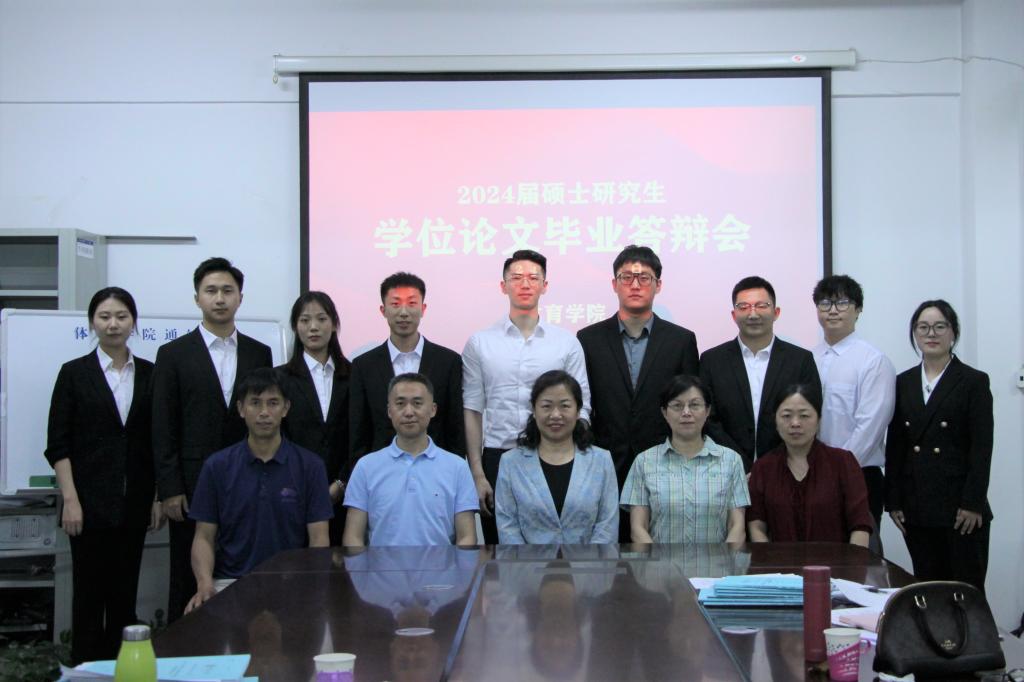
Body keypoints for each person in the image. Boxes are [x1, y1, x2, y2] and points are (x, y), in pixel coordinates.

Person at [44, 287, 163, 663]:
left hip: (134, 503)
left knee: (124, 598)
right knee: (88, 598)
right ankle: (85, 670)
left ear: (134, 323)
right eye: (105, 316)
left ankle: (122, 669)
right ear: (92, 323)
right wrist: (70, 500)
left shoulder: (151, 374)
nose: (113, 324)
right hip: (87, 506)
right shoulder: (74, 373)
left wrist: (156, 496)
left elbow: (156, 440)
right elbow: (58, 444)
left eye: (122, 316)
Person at [152, 257, 273, 622]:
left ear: (240, 298)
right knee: (186, 573)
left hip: (247, 476)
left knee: (244, 568)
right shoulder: (173, 354)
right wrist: (169, 487)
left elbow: (264, 417)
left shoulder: (259, 352)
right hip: (189, 485)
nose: (219, 299)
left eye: (227, 291)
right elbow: (163, 424)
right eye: (211, 291)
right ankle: (184, 651)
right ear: (197, 299)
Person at [462, 249, 591, 544]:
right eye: (516, 277)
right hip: (497, 455)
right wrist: (477, 473)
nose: (525, 284)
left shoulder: (566, 343)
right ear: (503, 285)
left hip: (554, 455)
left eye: (533, 278)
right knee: (501, 550)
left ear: (545, 286)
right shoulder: (480, 342)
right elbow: (472, 410)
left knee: (555, 547)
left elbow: (582, 405)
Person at [577, 245, 699, 542]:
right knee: (608, 550)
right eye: (627, 277)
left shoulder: (681, 340)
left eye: (644, 277)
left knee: (662, 551)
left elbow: (692, 404)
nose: (635, 284)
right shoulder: (588, 339)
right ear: (614, 284)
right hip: (605, 461)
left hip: (665, 463)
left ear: (658, 284)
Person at [185, 368, 332, 613]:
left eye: (273, 403)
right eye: (255, 403)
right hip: (230, 583)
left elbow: (319, 538)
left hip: (292, 584)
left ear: (286, 408)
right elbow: (203, 537)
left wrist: (311, 584)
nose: (264, 412)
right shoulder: (217, 466)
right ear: (241, 409)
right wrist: (204, 584)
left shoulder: (310, 466)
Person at [885, 300, 993, 592]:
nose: (931, 333)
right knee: (928, 588)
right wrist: (893, 501)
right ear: (915, 334)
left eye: (939, 326)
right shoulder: (903, 382)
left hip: (960, 510)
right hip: (916, 506)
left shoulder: (973, 381)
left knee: (965, 592)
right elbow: (896, 445)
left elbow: (982, 448)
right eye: (923, 327)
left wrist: (972, 503)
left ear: (953, 333)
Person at [699, 275, 821, 470]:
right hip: (724, 468)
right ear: (733, 315)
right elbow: (707, 418)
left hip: (785, 469)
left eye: (761, 306)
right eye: (744, 307)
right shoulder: (712, 360)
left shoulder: (800, 360)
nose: (753, 314)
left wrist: (769, 467)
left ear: (776, 312)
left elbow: (810, 415)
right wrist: (739, 464)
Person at [343, 373, 478, 547]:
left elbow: (467, 538)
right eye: (400, 404)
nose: (408, 412)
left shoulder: (457, 467)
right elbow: (353, 538)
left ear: (433, 409)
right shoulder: (366, 467)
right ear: (389, 411)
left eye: (417, 403)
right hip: (381, 565)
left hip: (441, 565)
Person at [811, 275, 895, 550]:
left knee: (859, 560)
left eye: (843, 303)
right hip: (810, 475)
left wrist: (836, 472)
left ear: (858, 309)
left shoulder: (873, 361)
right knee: (815, 557)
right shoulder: (808, 358)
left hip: (859, 476)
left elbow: (870, 426)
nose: (833, 310)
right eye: (825, 303)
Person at [349, 272, 465, 469]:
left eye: (412, 303)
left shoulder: (448, 362)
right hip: (381, 471)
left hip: (436, 470)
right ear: (383, 310)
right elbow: (358, 431)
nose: (403, 312)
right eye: (395, 304)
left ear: (423, 308)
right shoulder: (363, 366)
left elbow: (455, 428)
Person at [620, 375, 749, 543]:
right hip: (659, 560)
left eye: (694, 405)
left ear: (707, 411)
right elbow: (638, 528)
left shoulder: (731, 461)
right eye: (677, 406)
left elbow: (737, 526)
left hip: (718, 560)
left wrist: (725, 560)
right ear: (664, 412)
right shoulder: (644, 462)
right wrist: (657, 560)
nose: (686, 412)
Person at [494, 370, 618, 544]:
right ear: (534, 410)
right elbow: (507, 527)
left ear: (578, 411)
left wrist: (590, 561)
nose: (555, 415)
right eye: (546, 406)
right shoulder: (510, 463)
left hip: (590, 560)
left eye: (565, 406)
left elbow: (607, 526)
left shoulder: (602, 460)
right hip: (528, 561)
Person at [747, 384, 872, 546]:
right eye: (786, 416)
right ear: (775, 421)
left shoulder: (843, 463)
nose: (795, 423)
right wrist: (770, 560)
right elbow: (756, 526)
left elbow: (860, 526)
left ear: (819, 420)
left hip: (836, 561)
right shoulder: (763, 468)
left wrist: (854, 561)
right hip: (778, 561)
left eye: (804, 415)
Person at [278, 291, 350, 545]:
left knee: (341, 565)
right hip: (292, 493)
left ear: (334, 324)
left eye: (321, 319)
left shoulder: (354, 375)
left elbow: (360, 436)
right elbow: (278, 435)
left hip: (345, 496)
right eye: (305, 320)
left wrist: (341, 483)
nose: (313, 327)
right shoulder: (280, 378)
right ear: (295, 327)